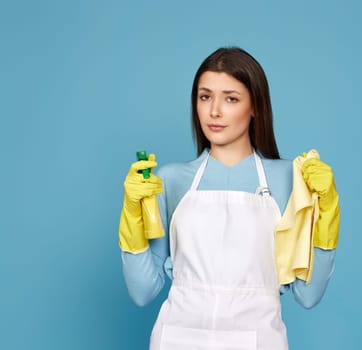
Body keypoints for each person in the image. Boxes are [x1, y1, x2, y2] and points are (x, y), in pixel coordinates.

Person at [119, 47, 340, 350]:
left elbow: (308, 294)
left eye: (231, 98)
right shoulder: (171, 180)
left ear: (255, 107)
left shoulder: (290, 178)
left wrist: (326, 212)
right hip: (177, 338)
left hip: (258, 339)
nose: (214, 111)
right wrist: (131, 215)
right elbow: (143, 292)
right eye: (205, 96)